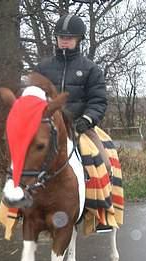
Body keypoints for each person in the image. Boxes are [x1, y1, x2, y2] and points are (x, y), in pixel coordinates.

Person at [35, 13, 110, 170]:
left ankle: (104, 191)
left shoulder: (91, 69)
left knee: (105, 165)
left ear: (78, 39)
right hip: (48, 127)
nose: (64, 41)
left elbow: (98, 101)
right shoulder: (42, 68)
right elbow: (34, 98)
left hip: (79, 128)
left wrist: (86, 120)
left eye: (69, 38)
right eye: (61, 37)